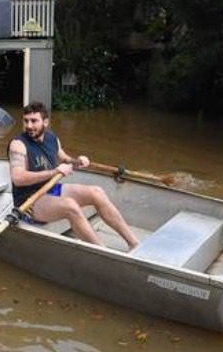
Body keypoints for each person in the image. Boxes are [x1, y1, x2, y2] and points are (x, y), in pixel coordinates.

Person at [8, 101, 140, 250]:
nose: (29, 126)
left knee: (96, 192)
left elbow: (64, 158)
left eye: (34, 121)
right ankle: (103, 252)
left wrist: (77, 161)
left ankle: (134, 243)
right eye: (26, 121)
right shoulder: (18, 144)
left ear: (45, 122)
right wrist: (55, 172)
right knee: (71, 206)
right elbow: (18, 178)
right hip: (29, 201)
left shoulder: (52, 138)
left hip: (50, 189)